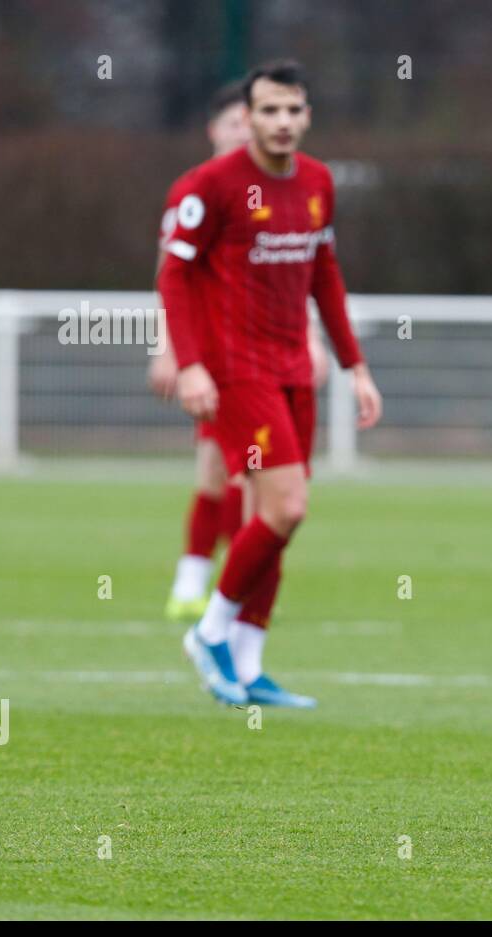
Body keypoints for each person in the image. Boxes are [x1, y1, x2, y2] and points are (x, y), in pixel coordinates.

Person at [157, 59, 382, 708]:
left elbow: (324, 276)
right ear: (248, 118)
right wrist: (191, 362)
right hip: (235, 370)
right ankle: (210, 630)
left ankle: (250, 666)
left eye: (293, 110)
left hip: (292, 368)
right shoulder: (213, 185)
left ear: (307, 115)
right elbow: (174, 278)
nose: (282, 122)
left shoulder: (316, 182)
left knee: (271, 518)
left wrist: (355, 365)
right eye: (269, 111)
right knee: (286, 506)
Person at [150, 82, 329, 622]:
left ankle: (229, 607)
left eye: (289, 111)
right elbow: (172, 274)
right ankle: (202, 589)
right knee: (223, 476)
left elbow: (297, 280)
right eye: (239, 121)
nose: (248, 131)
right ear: (223, 128)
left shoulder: (289, 184)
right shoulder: (196, 190)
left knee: (258, 493)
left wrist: (314, 340)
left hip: (270, 361)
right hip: (217, 362)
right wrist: (172, 352)